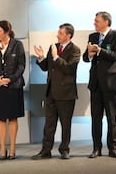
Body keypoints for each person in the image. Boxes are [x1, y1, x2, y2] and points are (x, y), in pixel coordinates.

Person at [32, 23, 80, 160]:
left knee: (65, 124)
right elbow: (47, 67)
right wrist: (41, 58)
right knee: (49, 124)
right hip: (51, 92)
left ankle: (64, 149)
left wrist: (56, 57)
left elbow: (69, 68)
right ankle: (46, 150)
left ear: (68, 35)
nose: (57, 35)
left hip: (66, 93)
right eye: (58, 33)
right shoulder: (54, 47)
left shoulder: (75, 50)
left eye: (60, 33)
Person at [83, 11, 116, 158]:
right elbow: (85, 58)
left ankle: (112, 148)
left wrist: (99, 50)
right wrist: (89, 54)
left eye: (97, 21)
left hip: (110, 83)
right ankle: (96, 148)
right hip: (95, 83)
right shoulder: (92, 37)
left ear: (106, 22)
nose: (94, 23)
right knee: (95, 117)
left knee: (111, 117)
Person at [0, 20, 25, 160]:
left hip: (13, 86)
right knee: (1, 118)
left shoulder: (17, 44)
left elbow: (21, 65)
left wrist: (10, 79)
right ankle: (3, 149)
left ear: (7, 32)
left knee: (13, 117)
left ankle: (13, 149)